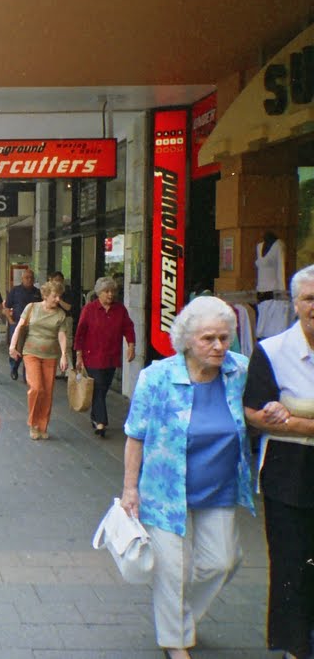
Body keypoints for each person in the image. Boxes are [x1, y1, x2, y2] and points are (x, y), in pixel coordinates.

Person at [122, 296, 254, 659]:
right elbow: (135, 435)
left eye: (225, 338)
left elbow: (253, 411)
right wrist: (130, 488)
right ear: (187, 340)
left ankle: (181, 619)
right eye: (208, 339)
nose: (218, 346)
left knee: (222, 561)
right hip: (164, 491)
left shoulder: (238, 370)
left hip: (220, 486)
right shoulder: (157, 378)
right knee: (173, 571)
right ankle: (174, 640)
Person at [243, 264, 314, 659]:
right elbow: (252, 411)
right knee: (291, 563)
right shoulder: (272, 350)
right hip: (288, 473)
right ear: (295, 304)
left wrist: (295, 420)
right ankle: (295, 645)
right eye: (309, 298)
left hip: (295, 448)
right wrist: (276, 420)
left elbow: (283, 418)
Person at [74, 276, 136, 438]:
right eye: (106, 291)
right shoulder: (89, 309)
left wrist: (131, 345)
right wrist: (78, 355)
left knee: (102, 388)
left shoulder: (120, 310)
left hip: (111, 356)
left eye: (112, 291)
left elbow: (128, 327)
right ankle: (101, 422)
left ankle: (95, 416)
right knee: (99, 386)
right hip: (92, 356)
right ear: (99, 293)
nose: (110, 295)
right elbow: (80, 333)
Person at [8, 280, 69, 440]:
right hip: (31, 352)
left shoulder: (60, 314)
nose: (57, 299)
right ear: (46, 295)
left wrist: (64, 354)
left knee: (47, 392)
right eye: (55, 296)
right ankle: (33, 423)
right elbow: (20, 327)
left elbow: (62, 335)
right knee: (36, 388)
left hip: (50, 355)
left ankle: (43, 426)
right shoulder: (32, 308)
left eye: (59, 296)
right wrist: (12, 346)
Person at [4, 269, 42, 381]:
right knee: (17, 348)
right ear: (22, 279)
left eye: (31, 277)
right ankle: (14, 367)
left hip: (32, 325)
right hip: (17, 324)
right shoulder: (15, 291)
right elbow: (6, 307)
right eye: (27, 277)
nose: (29, 279)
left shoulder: (37, 292)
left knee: (28, 350)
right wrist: (10, 321)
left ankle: (27, 374)